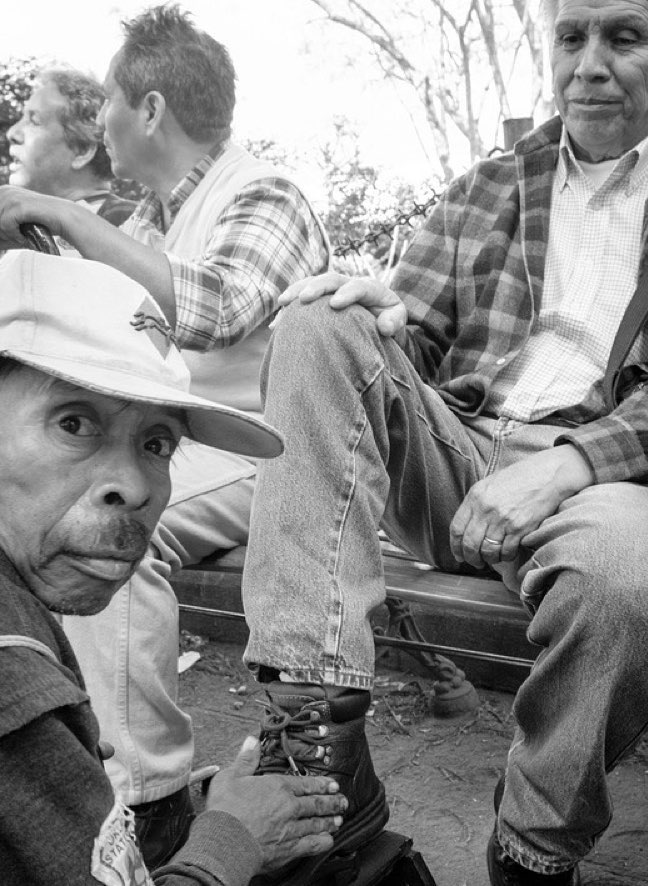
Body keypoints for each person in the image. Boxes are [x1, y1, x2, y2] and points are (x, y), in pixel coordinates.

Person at [228, 0, 648, 883]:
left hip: (603, 475)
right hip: (459, 447)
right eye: (571, 36)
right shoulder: (491, 184)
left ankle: (530, 849)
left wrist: (571, 463)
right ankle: (316, 735)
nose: (589, 64)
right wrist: (382, 317)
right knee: (317, 317)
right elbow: (406, 338)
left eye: (624, 36)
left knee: (631, 591)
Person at [0, 4, 330, 868]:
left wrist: (66, 219)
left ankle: (147, 802)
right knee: (73, 504)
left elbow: (218, 308)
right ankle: (77, 764)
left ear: (148, 108)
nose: (100, 121)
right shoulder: (144, 220)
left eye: (109, 100)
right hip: (176, 445)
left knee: (115, 526)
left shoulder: (266, 192)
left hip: (278, 456)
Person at [0, 249, 347, 886]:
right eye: (73, 422)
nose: (134, 486)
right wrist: (231, 837)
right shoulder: (12, 677)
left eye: (157, 443)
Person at [7, 67, 135, 226]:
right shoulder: (20, 228)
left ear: (81, 150)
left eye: (34, 121)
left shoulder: (133, 226)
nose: (12, 133)